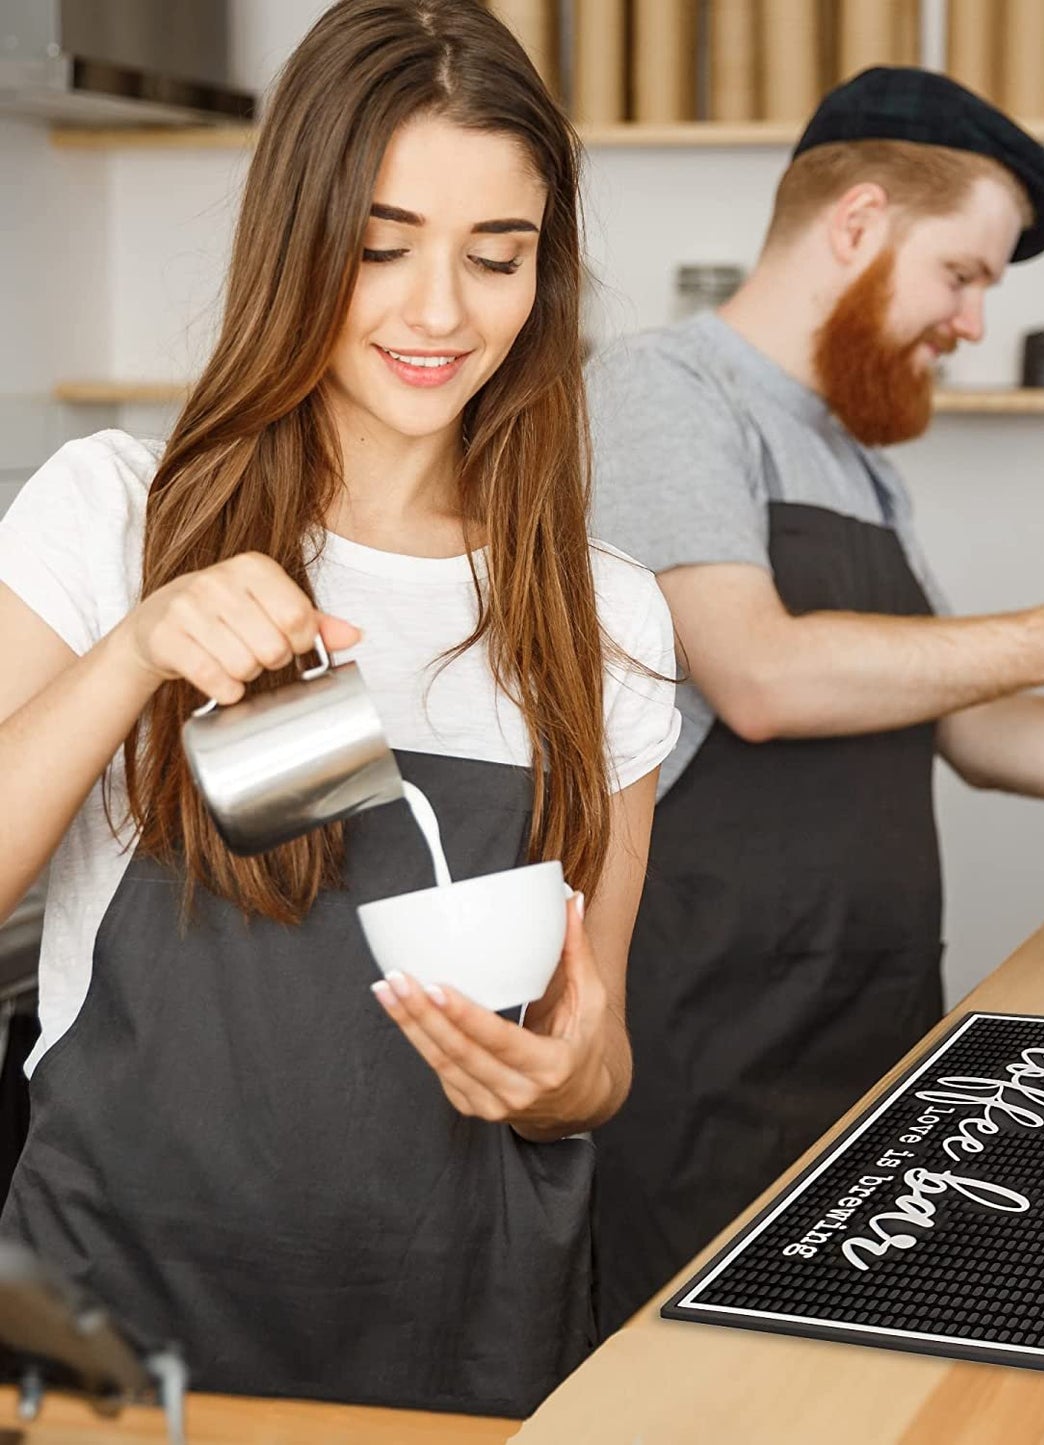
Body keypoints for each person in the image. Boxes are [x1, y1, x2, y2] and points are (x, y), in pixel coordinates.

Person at [0, 0, 677, 1417]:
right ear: (295, 241)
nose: (440, 311)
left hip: (467, 1325)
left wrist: (556, 1078)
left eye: (497, 257)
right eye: (382, 249)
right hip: (123, 1320)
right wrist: (134, 654)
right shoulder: (112, 514)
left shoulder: (599, 612)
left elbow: (595, 1042)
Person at [584, 66, 1044, 1334]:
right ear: (856, 222)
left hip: (864, 1012)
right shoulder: (661, 391)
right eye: (964, 273)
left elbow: (964, 722)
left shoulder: (851, 456)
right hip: (705, 1030)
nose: (970, 321)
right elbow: (757, 674)